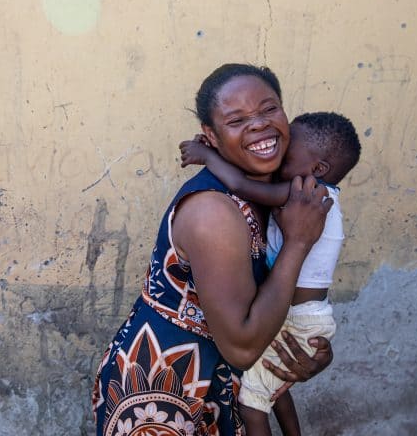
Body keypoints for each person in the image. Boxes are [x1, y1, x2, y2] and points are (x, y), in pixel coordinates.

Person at [92, 63, 335, 436]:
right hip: (167, 392)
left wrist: (308, 350)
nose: (258, 124)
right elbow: (241, 348)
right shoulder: (213, 213)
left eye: (269, 109)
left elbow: (273, 304)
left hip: (225, 386)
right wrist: (299, 242)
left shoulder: (283, 194)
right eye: (237, 119)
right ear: (212, 135)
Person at [179, 111, 362, 435]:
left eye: (287, 152)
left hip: (300, 320)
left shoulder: (310, 194)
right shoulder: (315, 191)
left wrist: (206, 155)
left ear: (318, 169)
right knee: (272, 390)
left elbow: (239, 184)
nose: (277, 156)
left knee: (251, 403)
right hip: (304, 316)